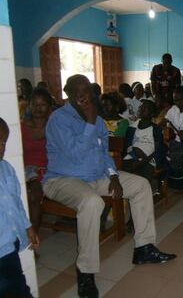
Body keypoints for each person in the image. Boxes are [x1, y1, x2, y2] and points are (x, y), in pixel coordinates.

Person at [43, 75, 176, 298]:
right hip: (63, 179)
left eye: (89, 92)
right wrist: (88, 122)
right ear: (69, 93)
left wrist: (113, 175)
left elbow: (102, 152)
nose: (86, 97)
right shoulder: (59, 119)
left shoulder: (96, 119)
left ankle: (144, 248)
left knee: (141, 185)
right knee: (92, 202)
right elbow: (74, 154)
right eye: (80, 92)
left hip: (96, 176)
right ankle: (85, 273)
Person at [0, 117, 39, 298]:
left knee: (18, 284)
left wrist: (27, 226)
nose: (1, 147)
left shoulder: (7, 169)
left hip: (10, 243)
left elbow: (16, 203)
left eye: (3, 142)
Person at [21, 88, 53, 233]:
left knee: (34, 193)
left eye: (42, 105)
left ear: (49, 107)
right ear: (29, 105)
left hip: (49, 169)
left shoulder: (55, 125)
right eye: (34, 104)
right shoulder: (21, 127)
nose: (38, 108)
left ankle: (32, 241)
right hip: (25, 169)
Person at [123, 99, 167, 193]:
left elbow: (158, 150)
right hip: (133, 157)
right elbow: (128, 146)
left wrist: (143, 161)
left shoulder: (155, 129)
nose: (141, 110)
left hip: (150, 160)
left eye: (145, 108)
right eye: (141, 107)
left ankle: (146, 191)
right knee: (125, 167)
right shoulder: (132, 127)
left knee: (144, 171)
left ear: (151, 114)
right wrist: (135, 158)